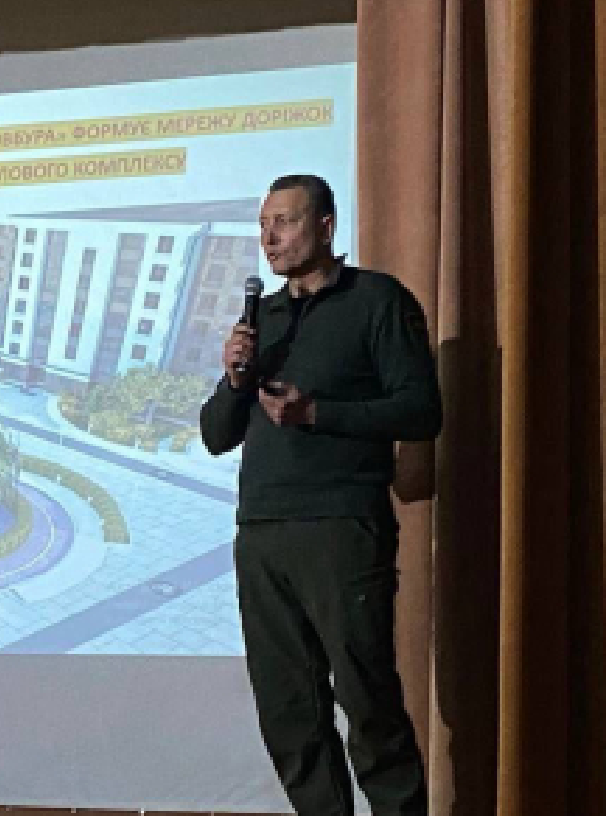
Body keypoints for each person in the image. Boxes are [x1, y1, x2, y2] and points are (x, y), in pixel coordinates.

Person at [199, 174, 442, 815]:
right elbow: (215, 435)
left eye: (284, 222)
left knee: (367, 702)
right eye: (263, 225)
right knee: (288, 713)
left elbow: (422, 410)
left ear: (326, 226)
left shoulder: (377, 301)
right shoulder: (263, 320)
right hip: (262, 533)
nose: (269, 238)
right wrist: (234, 380)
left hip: (341, 528)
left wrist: (317, 413)